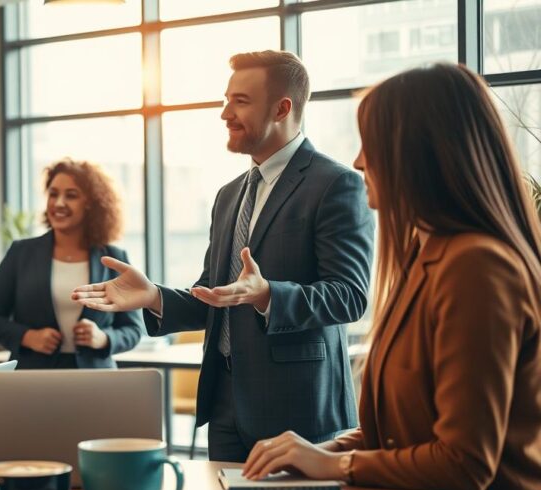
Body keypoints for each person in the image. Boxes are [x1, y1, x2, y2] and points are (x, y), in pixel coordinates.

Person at [242, 63, 541, 490]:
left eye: (371, 144)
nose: (358, 161)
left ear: (421, 155)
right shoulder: (430, 256)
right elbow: (409, 431)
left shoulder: (477, 266)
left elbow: (464, 463)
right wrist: (320, 450)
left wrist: (334, 466)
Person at [72, 51, 375, 462]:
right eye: (226, 99)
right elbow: (217, 297)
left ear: (282, 107)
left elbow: (349, 296)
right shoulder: (229, 194)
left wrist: (267, 294)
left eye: (241, 101)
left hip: (300, 409)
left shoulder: (336, 184)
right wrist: (153, 297)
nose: (225, 114)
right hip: (226, 405)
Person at [0, 159, 143, 369]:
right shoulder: (21, 253)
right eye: (53, 194)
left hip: (95, 381)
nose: (58, 203)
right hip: (32, 378)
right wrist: (28, 337)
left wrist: (103, 338)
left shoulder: (113, 258)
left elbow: (133, 328)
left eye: (71, 195)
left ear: (90, 203)